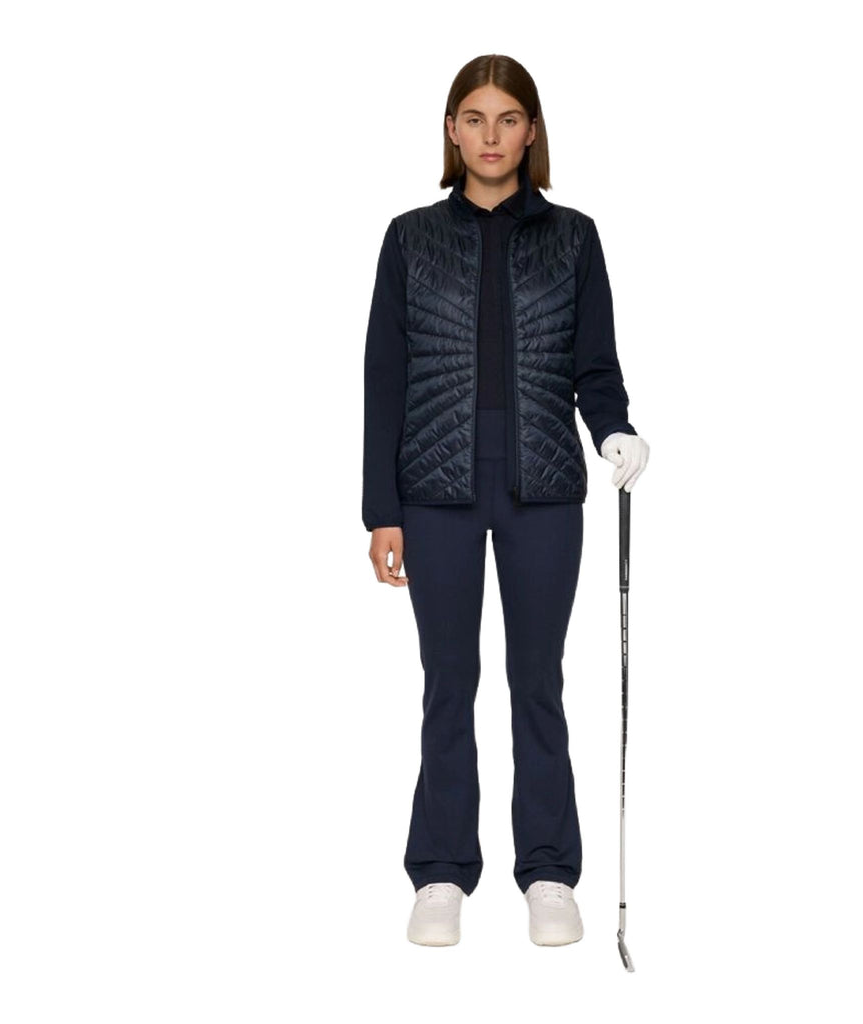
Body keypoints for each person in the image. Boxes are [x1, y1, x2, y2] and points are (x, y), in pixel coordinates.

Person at [362, 54, 650, 948]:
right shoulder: (409, 238)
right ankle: (441, 873)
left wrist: (614, 430)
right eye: (475, 118)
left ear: (532, 132)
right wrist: (381, 509)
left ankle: (550, 872)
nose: (492, 136)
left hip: (544, 492)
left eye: (509, 118)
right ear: (452, 131)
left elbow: (594, 364)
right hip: (435, 492)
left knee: (537, 681)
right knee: (448, 682)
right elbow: (384, 378)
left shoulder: (575, 238)